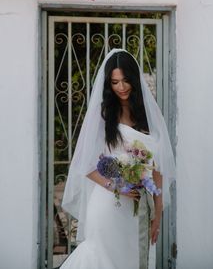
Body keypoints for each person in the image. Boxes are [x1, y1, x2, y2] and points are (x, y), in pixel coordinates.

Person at [60, 49, 176, 269]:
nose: (121, 87)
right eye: (114, 82)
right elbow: (85, 165)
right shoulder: (104, 114)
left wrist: (158, 214)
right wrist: (117, 187)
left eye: (125, 80)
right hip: (108, 205)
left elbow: (157, 168)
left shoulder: (148, 115)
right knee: (102, 259)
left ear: (133, 79)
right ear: (108, 84)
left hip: (140, 207)